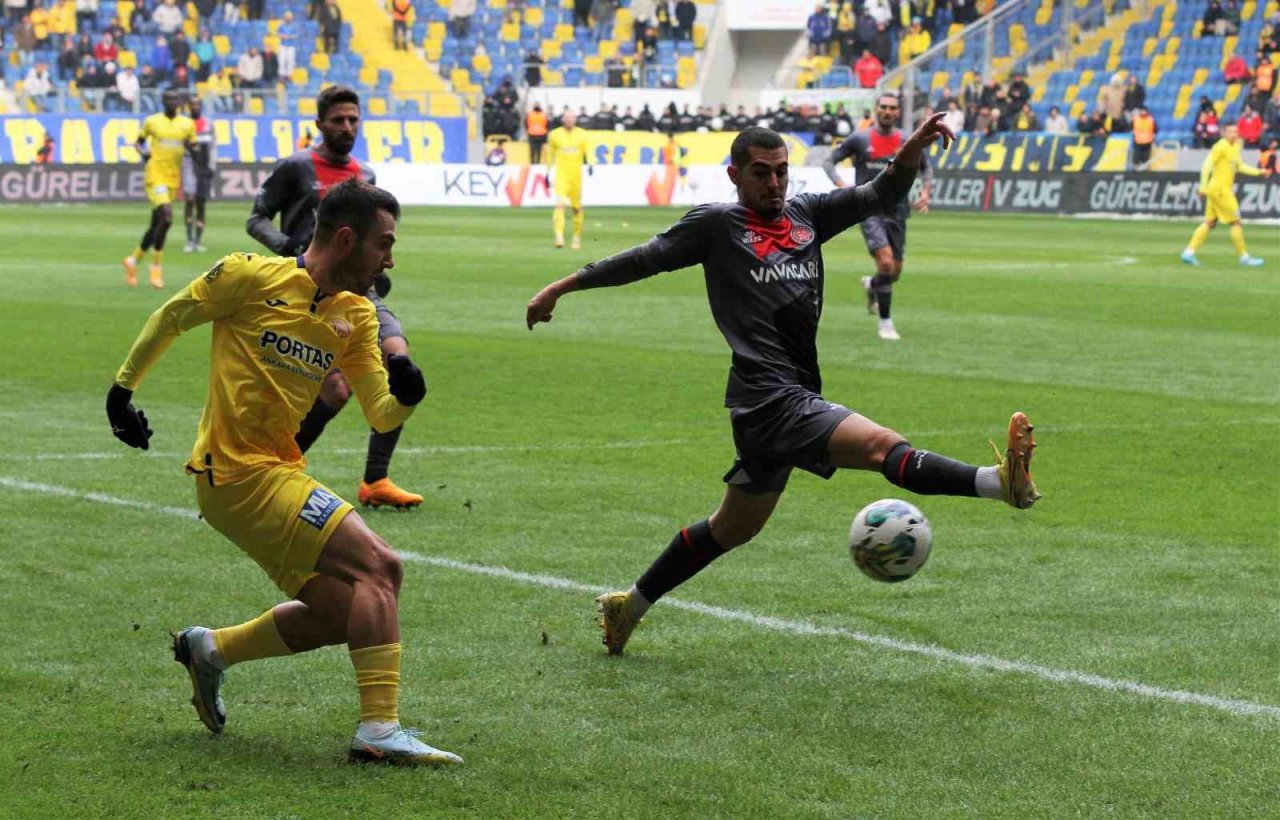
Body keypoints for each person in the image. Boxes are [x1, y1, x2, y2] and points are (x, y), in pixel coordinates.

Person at [525, 119, 1043, 658]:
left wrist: (910, 150)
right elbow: (642, 259)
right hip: (769, 398)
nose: (774, 183)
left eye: (781, 172)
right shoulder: (717, 225)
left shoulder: (808, 214)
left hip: (782, 397)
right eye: (760, 173)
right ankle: (996, 483)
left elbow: (882, 192)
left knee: (732, 528)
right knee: (880, 446)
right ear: (735, 175)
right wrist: (562, 287)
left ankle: (628, 606)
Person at [105, 178, 461, 767]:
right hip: (235, 473)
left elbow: (380, 412)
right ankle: (378, 729)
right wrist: (121, 394)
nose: (390, 260)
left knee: (342, 611)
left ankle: (210, 649)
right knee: (381, 567)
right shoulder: (249, 276)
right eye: (384, 244)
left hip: (274, 472)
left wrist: (407, 394)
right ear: (345, 239)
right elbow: (172, 317)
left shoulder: (355, 315)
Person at [247, 86, 427, 509]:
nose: (347, 127)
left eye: (353, 120)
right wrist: (288, 247)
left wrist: (376, 265)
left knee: (398, 362)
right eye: (338, 120)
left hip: (360, 292)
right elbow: (257, 218)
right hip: (307, 291)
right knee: (335, 392)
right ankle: (270, 470)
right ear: (320, 124)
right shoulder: (296, 167)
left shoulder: (365, 175)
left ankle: (376, 480)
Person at [822, 93, 932, 341]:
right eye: (883, 107)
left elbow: (926, 168)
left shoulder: (907, 140)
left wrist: (926, 192)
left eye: (892, 108)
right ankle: (885, 323)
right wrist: (841, 184)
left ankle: (872, 285)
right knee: (886, 264)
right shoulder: (859, 139)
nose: (888, 111)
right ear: (876, 109)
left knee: (894, 272)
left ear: (898, 112)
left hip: (898, 210)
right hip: (868, 209)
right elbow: (829, 162)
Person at [123, 88, 195, 289]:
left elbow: (193, 146)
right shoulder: (152, 122)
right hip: (155, 176)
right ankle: (156, 269)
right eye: (168, 99)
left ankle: (133, 260)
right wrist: (143, 154)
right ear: (163, 102)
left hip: (173, 178)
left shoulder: (187, 124)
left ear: (179, 102)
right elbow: (138, 143)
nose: (172, 102)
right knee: (167, 217)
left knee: (157, 224)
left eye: (175, 99)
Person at [1181, 122, 1266, 267]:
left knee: (1209, 222)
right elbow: (1207, 165)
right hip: (1221, 191)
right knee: (1236, 222)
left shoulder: (1236, 146)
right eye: (1230, 132)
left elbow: (1239, 166)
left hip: (1217, 190)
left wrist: (1258, 172)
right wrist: (1202, 187)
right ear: (1223, 133)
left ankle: (1188, 253)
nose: (1233, 134)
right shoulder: (1221, 146)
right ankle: (1244, 257)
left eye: (1235, 132)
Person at [545, 109, 591, 249]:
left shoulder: (582, 134)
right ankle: (559, 236)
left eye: (572, 117)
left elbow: (588, 152)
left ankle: (576, 237)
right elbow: (550, 154)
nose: (570, 120)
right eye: (567, 117)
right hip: (561, 176)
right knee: (559, 205)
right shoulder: (554, 135)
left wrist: (591, 164)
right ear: (563, 119)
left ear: (575, 119)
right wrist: (547, 171)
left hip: (576, 177)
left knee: (576, 209)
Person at [182, 95, 216, 252]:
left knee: (201, 202)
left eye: (197, 104)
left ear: (200, 106)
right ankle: (189, 239)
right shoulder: (184, 124)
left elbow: (213, 146)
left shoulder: (208, 124)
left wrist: (212, 166)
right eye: (192, 104)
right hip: (189, 162)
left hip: (204, 165)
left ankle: (198, 241)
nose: (195, 107)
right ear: (188, 106)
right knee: (190, 199)